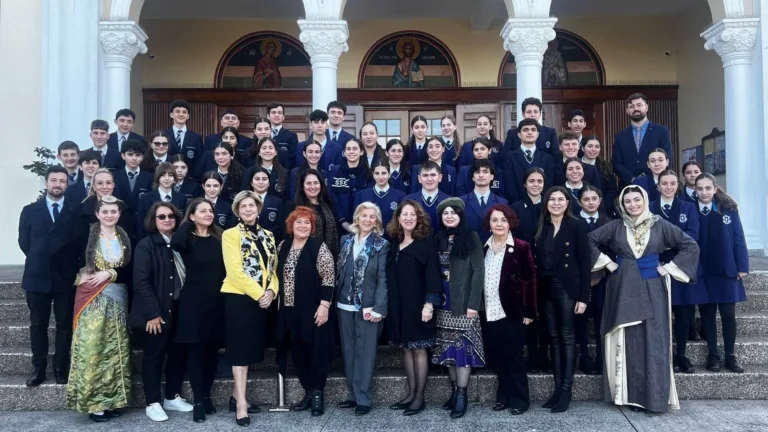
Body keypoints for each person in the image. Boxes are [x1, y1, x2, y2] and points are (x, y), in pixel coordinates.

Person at [588, 185, 699, 413]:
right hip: (622, 287)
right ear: (622, 204)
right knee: (627, 340)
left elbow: (690, 244)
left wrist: (669, 268)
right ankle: (629, 396)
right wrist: (607, 263)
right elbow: (588, 240)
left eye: (637, 200)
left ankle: (653, 397)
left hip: (652, 288)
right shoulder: (616, 226)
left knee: (653, 339)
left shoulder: (660, 224)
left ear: (645, 200)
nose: (633, 205)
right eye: (627, 201)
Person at [66, 196, 132, 422]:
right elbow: (67, 257)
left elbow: (128, 267)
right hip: (91, 299)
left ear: (119, 213)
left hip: (116, 300)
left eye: (114, 211)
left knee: (115, 351)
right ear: (97, 213)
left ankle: (112, 400)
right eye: (105, 212)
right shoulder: (86, 235)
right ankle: (94, 404)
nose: (110, 215)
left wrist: (110, 273)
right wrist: (81, 276)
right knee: (93, 350)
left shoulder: (123, 236)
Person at [129, 202, 194, 422]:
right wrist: (153, 313)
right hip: (156, 312)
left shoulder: (180, 244)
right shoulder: (146, 245)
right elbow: (141, 282)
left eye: (171, 216)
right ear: (153, 221)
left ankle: (171, 397)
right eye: (161, 217)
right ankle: (152, 402)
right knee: (154, 357)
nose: (167, 220)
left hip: (179, 309)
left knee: (178, 355)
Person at [18, 166, 80, 387]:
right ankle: (39, 368)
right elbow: (24, 242)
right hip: (37, 274)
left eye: (62, 181)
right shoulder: (29, 211)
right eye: (53, 180)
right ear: (46, 182)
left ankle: (61, 368)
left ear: (67, 184)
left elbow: (79, 246)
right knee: (38, 324)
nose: (57, 184)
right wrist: (40, 258)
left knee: (64, 325)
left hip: (64, 277)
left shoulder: (74, 213)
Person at [221, 191, 279, 426]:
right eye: (243, 206)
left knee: (251, 350)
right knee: (241, 352)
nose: (248, 210)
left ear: (259, 209)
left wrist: (271, 292)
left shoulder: (268, 235)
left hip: (262, 299)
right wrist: (259, 294)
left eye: (252, 206)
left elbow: (273, 268)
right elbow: (235, 272)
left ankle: (235, 395)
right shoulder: (230, 235)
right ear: (237, 211)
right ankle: (241, 404)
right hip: (239, 299)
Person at [275, 206, 337, 417]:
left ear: (312, 227)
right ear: (291, 225)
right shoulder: (283, 246)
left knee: (317, 353)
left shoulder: (318, 246)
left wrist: (324, 306)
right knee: (298, 353)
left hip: (313, 309)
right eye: (299, 222)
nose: (303, 226)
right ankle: (309, 393)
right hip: (289, 311)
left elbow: (329, 277)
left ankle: (318, 394)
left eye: (307, 223)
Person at [533, 187, 591, 413]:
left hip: (567, 287)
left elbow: (585, 263)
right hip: (546, 287)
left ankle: (566, 390)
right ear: (546, 203)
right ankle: (557, 390)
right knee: (554, 339)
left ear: (568, 203)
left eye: (561, 199)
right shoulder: (542, 227)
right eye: (552, 199)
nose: (556, 203)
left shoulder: (576, 226)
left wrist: (583, 296)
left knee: (567, 338)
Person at [169, 198, 226, 422]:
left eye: (210, 210)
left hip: (217, 302)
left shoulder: (219, 237)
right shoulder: (187, 237)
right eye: (202, 211)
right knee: (196, 352)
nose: (208, 214)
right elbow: (175, 244)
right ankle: (198, 402)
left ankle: (207, 395)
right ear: (192, 215)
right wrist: (188, 223)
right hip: (193, 303)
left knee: (212, 352)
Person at [386, 200, 441, 416]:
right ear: (398, 219)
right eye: (404, 214)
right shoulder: (394, 243)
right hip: (399, 306)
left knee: (419, 349)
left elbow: (432, 275)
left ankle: (419, 397)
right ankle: (410, 393)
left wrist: (429, 303)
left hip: (419, 304)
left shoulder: (426, 243)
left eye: (412, 214)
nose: (408, 218)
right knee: (407, 348)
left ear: (418, 219)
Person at [432, 198, 485, 419]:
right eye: (445, 213)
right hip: (443, 303)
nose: (449, 216)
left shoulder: (471, 237)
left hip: (463, 303)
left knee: (462, 350)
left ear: (461, 216)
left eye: (454, 213)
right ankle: (454, 392)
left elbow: (478, 272)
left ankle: (462, 396)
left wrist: (473, 304)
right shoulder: (438, 238)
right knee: (448, 350)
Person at [335, 203, 390, 416]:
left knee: (365, 352)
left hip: (367, 306)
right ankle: (353, 394)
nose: (368, 220)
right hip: (343, 304)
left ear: (377, 221)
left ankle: (364, 398)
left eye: (372, 217)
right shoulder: (345, 240)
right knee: (348, 352)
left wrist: (378, 308)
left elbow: (382, 278)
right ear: (357, 218)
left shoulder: (381, 245)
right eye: (364, 216)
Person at [483, 204, 536, 415]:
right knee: (499, 357)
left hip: (513, 312)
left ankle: (520, 400)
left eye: (503, 220)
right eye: (495, 220)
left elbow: (530, 281)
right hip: (489, 310)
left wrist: (529, 312)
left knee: (513, 357)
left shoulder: (521, 247)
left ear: (510, 222)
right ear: (489, 224)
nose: (499, 224)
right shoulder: (484, 247)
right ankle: (503, 397)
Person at [693, 173, 748, 373]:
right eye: (700, 189)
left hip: (726, 270)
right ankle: (713, 354)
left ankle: (730, 355)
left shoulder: (728, 210)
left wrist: (742, 266)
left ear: (715, 189)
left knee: (728, 315)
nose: (704, 192)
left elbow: (738, 238)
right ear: (695, 190)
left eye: (708, 188)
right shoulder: (692, 210)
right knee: (707, 314)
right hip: (703, 271)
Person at [649, 169, 699, 373]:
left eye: (672, 183)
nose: (668, 187)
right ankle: (662, 355)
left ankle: (682, 355)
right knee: (658, 314)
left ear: (677, 186)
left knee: (683, 312)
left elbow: (692, 235)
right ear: (657, 186)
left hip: (681, 266)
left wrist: (670, 247)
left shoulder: (689, 208)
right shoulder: (650, 208)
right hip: (656, 266)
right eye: (664, 183)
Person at [510, 168, 548, 372]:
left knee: (546, 315)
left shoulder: (551, 205)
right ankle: (531, 356)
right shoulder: (516, 207)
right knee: (528, 314)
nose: (535, 184)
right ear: (524, 184)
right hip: (523, 270)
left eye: (539, 181)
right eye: (531, 181)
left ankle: (543, 356)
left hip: (547, 269)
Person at [575, 185, 612, 375]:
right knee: (579, 319)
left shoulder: (609, 222)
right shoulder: (573, 221)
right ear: (579, 202)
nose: (590, 202)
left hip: (603, 279)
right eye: (586, 199)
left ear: (599, 200)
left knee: (600, 318)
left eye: (594, 198)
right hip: (579, 279)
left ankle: (600, 356)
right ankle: (584, 356)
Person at [611, 93, 673, 188]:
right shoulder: (620, 136)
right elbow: (616, 163)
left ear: (646, 107)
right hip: (628, 187)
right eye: (632, 106)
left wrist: (646, 179)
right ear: (627, 111)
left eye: (639, 105)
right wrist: (633, 179)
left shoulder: (662, 131)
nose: (635, 109)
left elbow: (667, 156)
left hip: (656, 186)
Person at [78, 168, 137, 247]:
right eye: (100, 183)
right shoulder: (83, 209)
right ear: (94, 186)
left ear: (113, 185)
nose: (104, 187)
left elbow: (129, 240)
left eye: (108, 183)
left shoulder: (125, 210)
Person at [503, 118, 554, 203]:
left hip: (542, 207)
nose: (529, 132)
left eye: (533, 130)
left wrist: (540, 203)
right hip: (517, 207)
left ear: (537, 134)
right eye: (525, 130)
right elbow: (509, 186)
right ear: (519, 135)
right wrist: (520, 206)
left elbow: (548, 185)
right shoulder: (509, 158)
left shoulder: (547, 158)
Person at [328, 138, 372, 234]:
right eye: (348, 149)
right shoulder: (335, 171)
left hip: (363, 224)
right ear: (344, 152)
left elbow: (370, 199)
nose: (351, 152)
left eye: (355, 149)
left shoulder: (368, 173)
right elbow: (332, 197)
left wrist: (361, 221)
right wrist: (343, 221)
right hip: (339, 223)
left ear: (361, 152)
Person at [294, 169, 340, 259]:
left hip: (329, 259)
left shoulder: (329, 205)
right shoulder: (294, 207)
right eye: (308, 183)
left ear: (321, 185)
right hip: (304, 258)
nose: (313, 186)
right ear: (302, 186)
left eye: (316, 183)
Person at [459, 159, 508, 243]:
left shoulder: (502, 203)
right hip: (468, 250)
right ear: (472, 177)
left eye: (485, 172)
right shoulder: (461, 202)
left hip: (494, 250)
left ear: (492, 176)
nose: (481, 175)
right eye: (477, 172)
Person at [136, 162, 187, 241]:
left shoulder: (181, 198)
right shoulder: (146, 198)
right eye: (163, 175)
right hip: (152, 241)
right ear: (157, 178)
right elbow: (140, 225)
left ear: (174, 178)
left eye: (170, 175)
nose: (167, 178)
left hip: (175, 241)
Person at [354, 160, 406, 231]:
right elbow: (356, 220)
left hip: (392, 238)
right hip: (368, 237)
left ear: (389, 174)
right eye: (377, 173)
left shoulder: (400, 196)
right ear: (373, 174)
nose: (380, 177)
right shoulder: (361, 195)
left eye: (384, 173)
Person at [404, 161, 450, 229]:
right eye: (425, 175)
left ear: (440, 177)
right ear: (419, 179)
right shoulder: (407, 200)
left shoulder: (448, 201)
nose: (429, 179)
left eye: (433, 175)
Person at [165, 100, 204, 179]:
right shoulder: (163, 136)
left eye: (184, 112)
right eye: (178, 111)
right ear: (171, 115)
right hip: (167, 179)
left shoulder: (196, 138)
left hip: (189, 180)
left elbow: (199, 162)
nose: (181, 114)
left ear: (188, 116)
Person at [581, 135, 618, 217]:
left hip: (603, 210)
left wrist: (601, 205)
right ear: (583, 148)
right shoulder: (575, 166)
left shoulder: (606, 166)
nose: (593, 149)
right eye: (590, 146)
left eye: (597, 147)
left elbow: (612, 189)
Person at [249, 167, 289, 243]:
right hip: (246, 242)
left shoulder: (277, 202)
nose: (261, 182)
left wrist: (262, 234)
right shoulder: (243, 200)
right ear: (251, 183)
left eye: (264, 179)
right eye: (257, 179)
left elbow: (280, 226)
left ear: (269, 183)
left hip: (270, 242)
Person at [113, 138, 152, 210]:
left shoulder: (149, 177)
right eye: (130, 154)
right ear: (123, 156)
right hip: (120, 218)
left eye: (138, 155)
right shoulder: (114, 176)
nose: (134, 158)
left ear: (142, 157)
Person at [267, 102, 300, 170]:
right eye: (273, 112)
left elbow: (293, 161)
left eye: (279, 113)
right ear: (268, 116)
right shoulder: (262, 134)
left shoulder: (291, 136)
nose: (277, 115)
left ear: (283, 117)